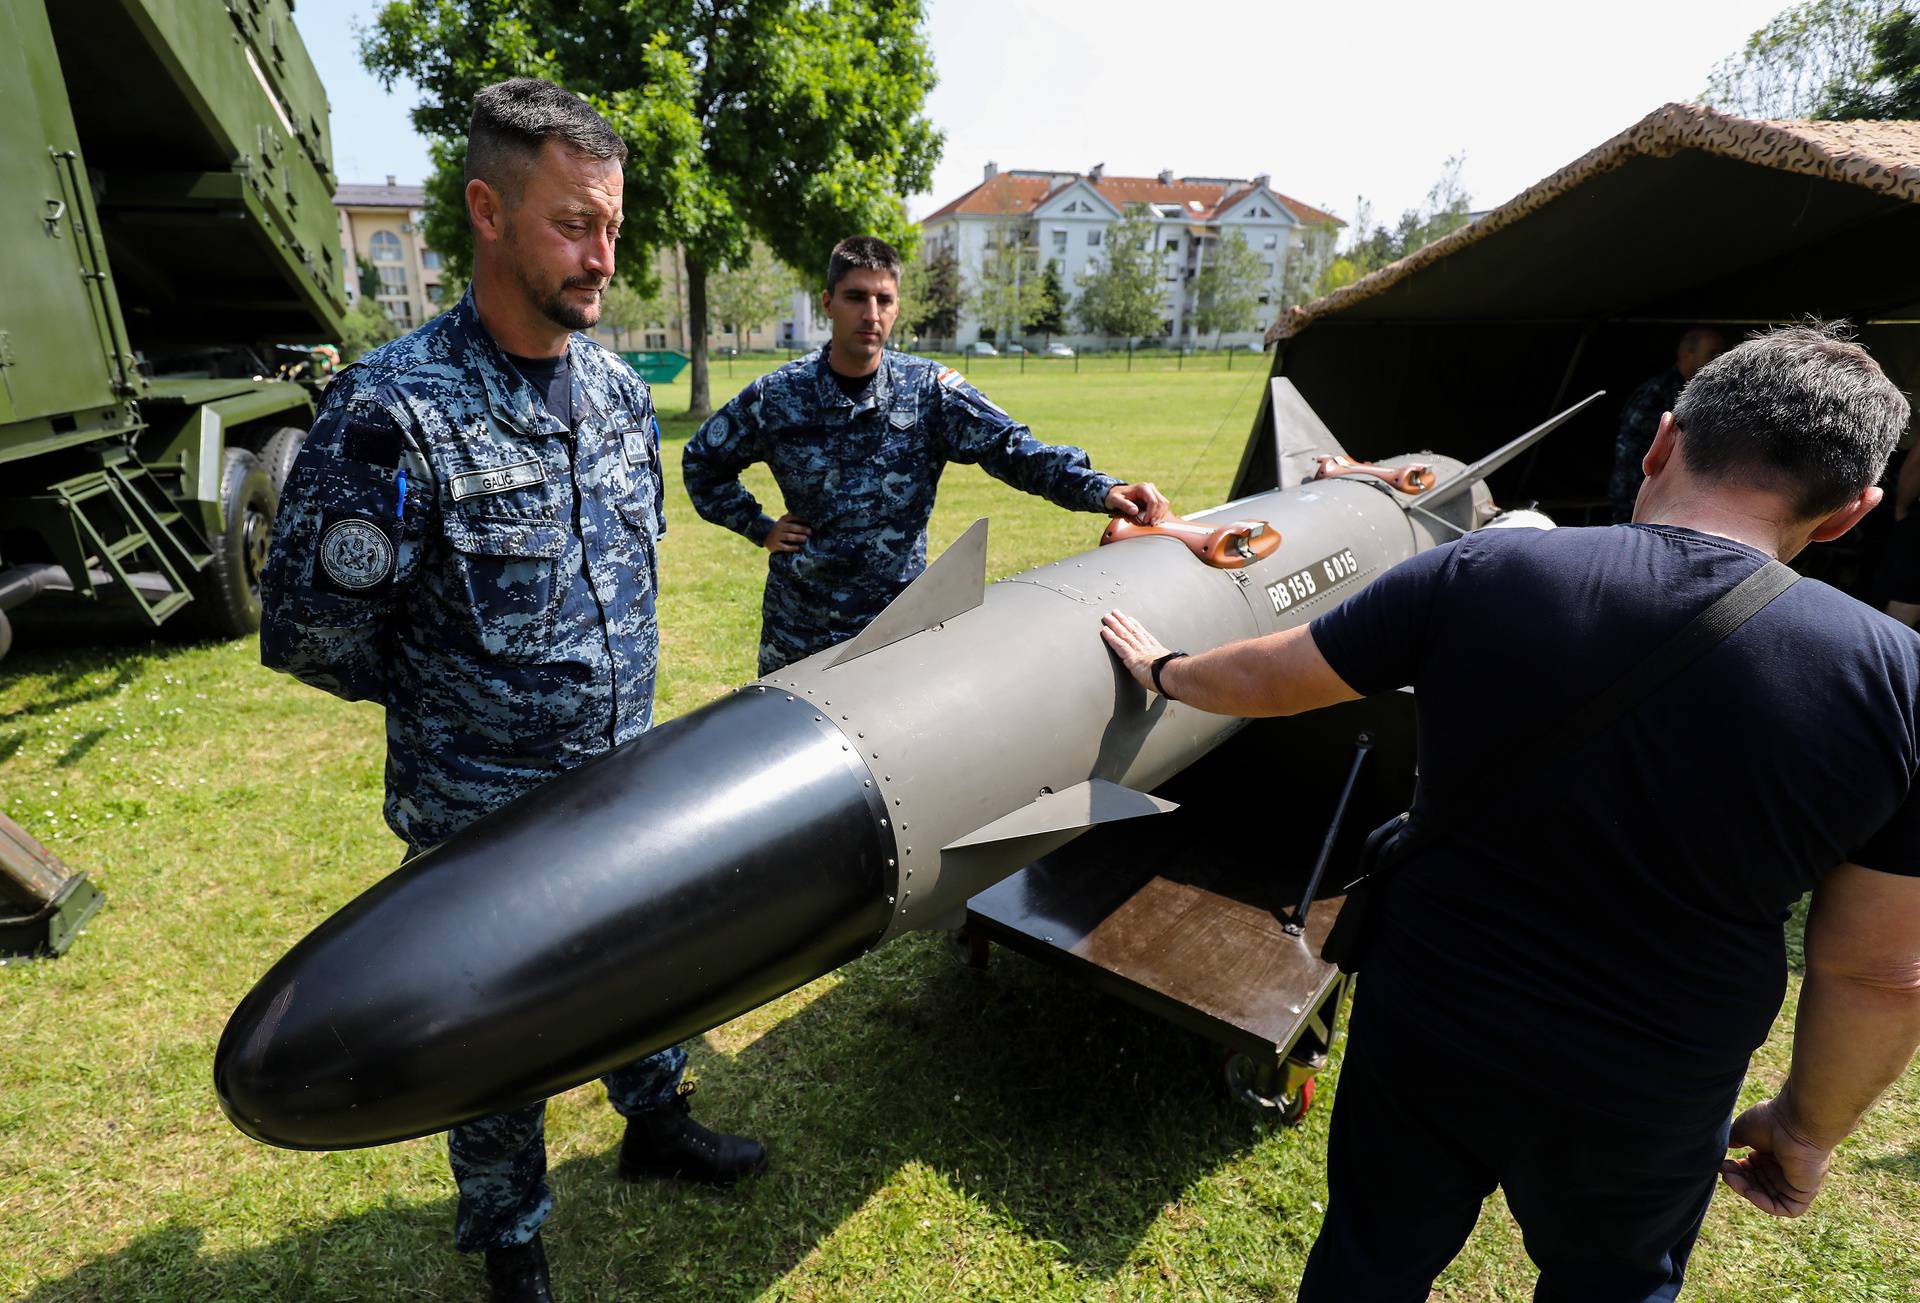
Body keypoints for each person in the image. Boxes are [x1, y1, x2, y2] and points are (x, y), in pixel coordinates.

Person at [1100, 324, 1920, 1301]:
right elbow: (1880, 971)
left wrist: (1166, 668)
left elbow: (1281, 675)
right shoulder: (1898, 684)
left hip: (1431, 1022)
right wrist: (1804, 1128)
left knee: (1371, 1259)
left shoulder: (1482, 573)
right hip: (1654, 1084)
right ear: (1848, 514)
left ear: (1662, 441)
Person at [260, 78, 763, 1303]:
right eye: (571, 224)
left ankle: (655, 1119)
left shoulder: (610, 390)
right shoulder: (395, 413)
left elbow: (626, 567)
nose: (602, 256)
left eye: (612, 226)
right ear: (486, 210)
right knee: (500, 1022)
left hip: (622, 773)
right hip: (479, 808)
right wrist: (457, 708)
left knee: (647, 954)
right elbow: (313, 630)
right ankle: (509, 1235)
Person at [682, 235, 1171, 676]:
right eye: (855, 297)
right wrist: (760, 527)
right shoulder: (778, 396)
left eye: (884, 299)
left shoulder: (928, 391)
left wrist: (1102, 489)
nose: (870, 313)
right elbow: (703, 461)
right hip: (802, 628)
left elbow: (1011, 448)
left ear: (897, 309)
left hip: (899, 625)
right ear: (828, 303)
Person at [1608, 326, 1727, 521]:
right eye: (1712, 352)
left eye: (1722, 352)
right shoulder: (1656, 393)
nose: (1719, 358)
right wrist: (1636, 495)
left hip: (1683, 501)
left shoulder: (1709, 395)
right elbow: (1631, 450)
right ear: (1687, 354)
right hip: (1642, 501)